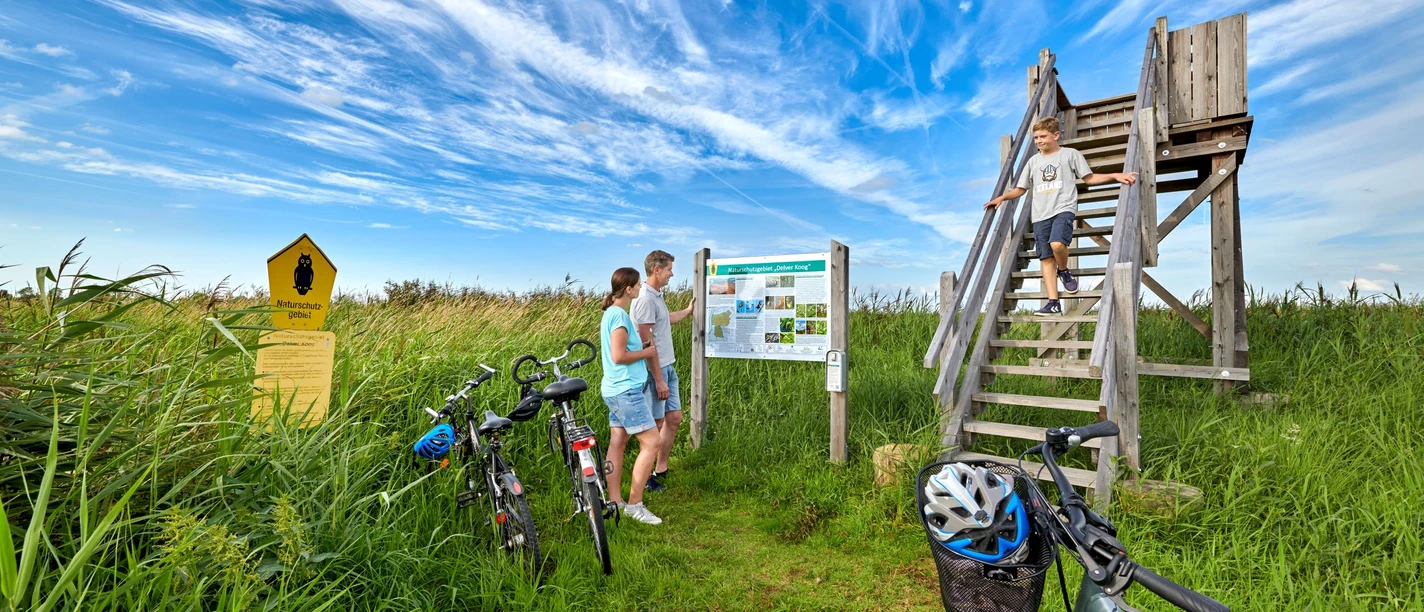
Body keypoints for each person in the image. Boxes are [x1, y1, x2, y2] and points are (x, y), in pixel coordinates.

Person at [984, 116, 1137, 315]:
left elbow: (1089, 178)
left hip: (1063, 208)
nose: (1038, 141)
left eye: (1043, 136)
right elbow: (1020, 189)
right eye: (1036, 137)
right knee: (1046, 258)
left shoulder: (1070, 155)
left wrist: (1115, 175)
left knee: (1057, 244)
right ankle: (1053, 303)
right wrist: (1002, 198)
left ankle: (1063, 271)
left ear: (1056, 135)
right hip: (1040, 215)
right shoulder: (1033, 162)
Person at [599, 267, 664, 525]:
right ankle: (635, 505)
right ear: (629, 288)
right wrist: (646, 354)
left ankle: (615, 501)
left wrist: (641, 348)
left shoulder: (611, 313)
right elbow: (618, 356)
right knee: (652, 443)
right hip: (625, 390)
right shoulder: (620, 316)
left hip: (615, 389)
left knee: (618, 442)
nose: (640, 288)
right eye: (638, 285)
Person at [630, 250, 695, 491]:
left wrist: (688, 312)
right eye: (669, 269)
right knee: (654, 425)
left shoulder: (656, 295)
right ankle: (646, 479)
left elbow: (665, 319)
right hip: (654, 371)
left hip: (668, 366)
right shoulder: (645, 299)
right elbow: (646, 343)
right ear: (656, 270)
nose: (672, 273)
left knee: (674, 418)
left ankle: (662, 468)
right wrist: (658, 380)